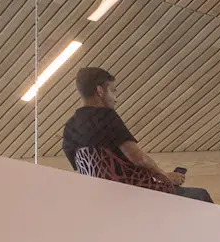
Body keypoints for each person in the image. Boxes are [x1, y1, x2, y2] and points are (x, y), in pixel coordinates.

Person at [60, 67, 211, 201]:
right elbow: (139, 159)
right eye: (112, 91)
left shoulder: (69, 129)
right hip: (135, 193)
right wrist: (165, 177)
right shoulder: (105, 116)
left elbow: (85, 170)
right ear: (100, 91)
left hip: (103, 200)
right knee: (200, 195)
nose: (115, 99)